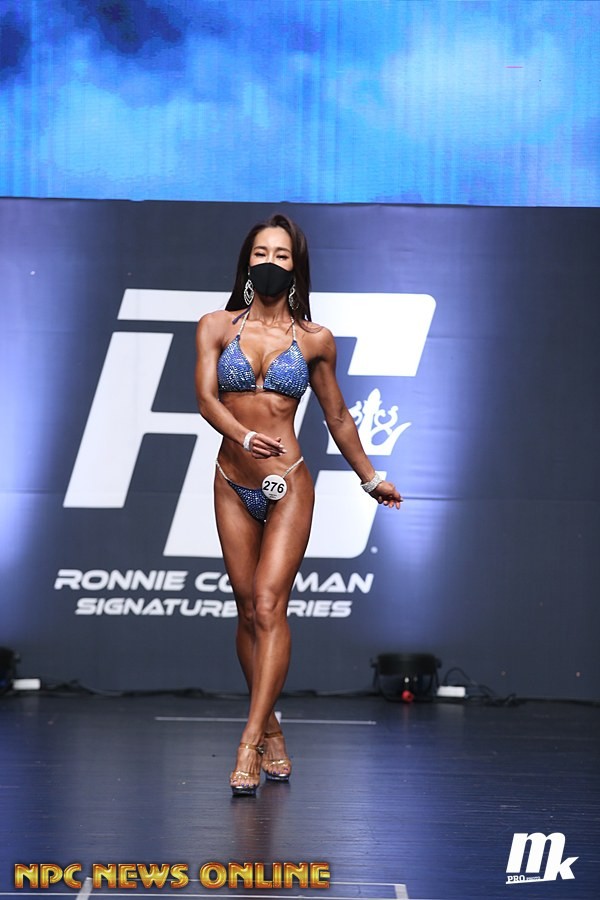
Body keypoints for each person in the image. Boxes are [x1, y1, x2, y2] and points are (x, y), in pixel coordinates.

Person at [195, 213, 402, 796]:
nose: (270, 262)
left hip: (288, 483)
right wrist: (242, 436)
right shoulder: (215, 326)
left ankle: (248, 741)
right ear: (247, 261)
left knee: (269, 605)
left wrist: (370, 479)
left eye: (282, 255)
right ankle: (273, 729)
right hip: (231, 479)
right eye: (262, 252)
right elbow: (206, 398)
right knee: (245, 610)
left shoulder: (314, 339)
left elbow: (338, 416)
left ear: (296, 267)